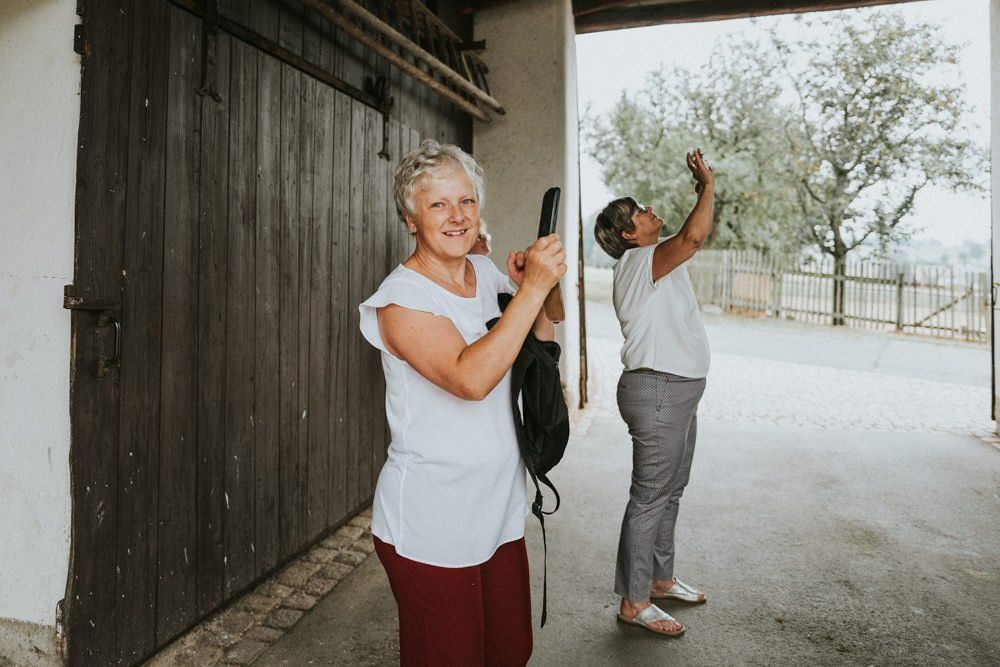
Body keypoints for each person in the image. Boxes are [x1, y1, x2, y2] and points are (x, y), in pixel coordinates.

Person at [359, 139, 566, 665]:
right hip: (433, 521)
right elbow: (469, 379)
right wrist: (530, 291)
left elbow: (542, 334)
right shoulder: (400, 300)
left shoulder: (486, 277)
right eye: (438, 204)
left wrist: (536, 287)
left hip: (497, 512)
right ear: (410, 218)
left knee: (510, 652)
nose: (457, 216)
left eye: (466, 201)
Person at [594, 149, 715, 637]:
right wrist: (706, 187)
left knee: (671, 490)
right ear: (629, 233)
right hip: (658, 390)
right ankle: (634, 600)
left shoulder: (652, 261)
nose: (649, 211)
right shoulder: (639, 260)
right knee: (649, 496)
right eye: (640, 210)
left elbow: (685, 240)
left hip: (679, 390)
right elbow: (693, 236)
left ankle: (659, 580)